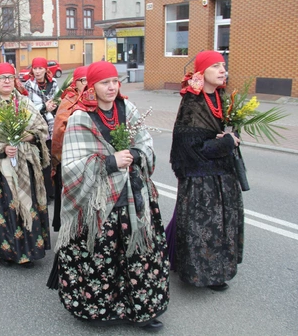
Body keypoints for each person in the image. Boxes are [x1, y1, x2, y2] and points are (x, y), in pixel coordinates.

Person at [52, 61, 169, 329]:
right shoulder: (80, 117)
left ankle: (143, 310)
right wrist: (108, 162)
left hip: (132, 195)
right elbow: (71, 167)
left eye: (115, 81)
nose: (112, 87)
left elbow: (145, 143)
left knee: (140, 253)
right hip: (99, 204)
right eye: (106, 82)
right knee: (102, 256)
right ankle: (101, 310)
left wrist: (136, 155)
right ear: (92, 87)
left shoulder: (128, 109)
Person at [169, 50, 243, 291]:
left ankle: (218, 271)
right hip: (200, 178)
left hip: (223, 174)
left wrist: (232, 137)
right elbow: (190, 147)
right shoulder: (193, 103)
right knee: (204, 227)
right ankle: (200, 273)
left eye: (223, 65)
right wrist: (226, 142)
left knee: (222, 225)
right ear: (202, 73)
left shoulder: (222, 98)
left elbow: (227, 131)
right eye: (216, 66)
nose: (223, 70)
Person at [0, 62, 51, 268]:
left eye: (10, 77)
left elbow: (41, 129)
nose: (6, 81)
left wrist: (28, 136)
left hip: (24, 163)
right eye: (1, 78)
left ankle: (27, 251)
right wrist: (1, 147)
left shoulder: (24, 103)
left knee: (26, 203)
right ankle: (5, 250)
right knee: (3, 208)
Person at [49, 66, 87, 231]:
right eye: (84, 80)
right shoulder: (68, 101)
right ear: (75, 83)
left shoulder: (95, 99)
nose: (88, 84)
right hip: (70, 158)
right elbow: (59, 131)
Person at [24, 57, 58, 202]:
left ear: (46, 69)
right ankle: (41, 192)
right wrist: (44, 108)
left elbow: (58, 101)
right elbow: (28, 109)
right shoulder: (28, 85)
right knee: (40, 160)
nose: (37, 71)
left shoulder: (54, 84)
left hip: (52, 126)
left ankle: (51, 190)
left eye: (40, 68)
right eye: (35, 68)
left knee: (51, 160)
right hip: (37, 127)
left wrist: (53, 107)